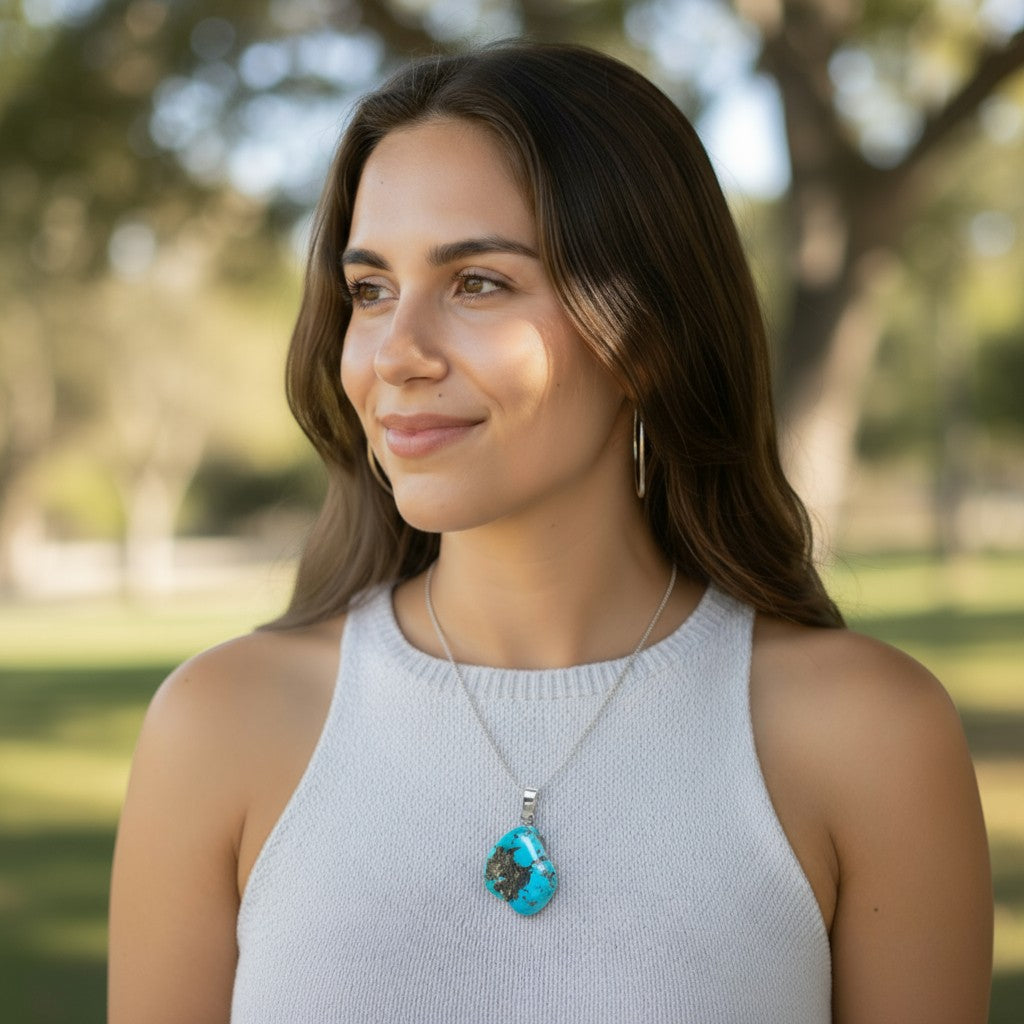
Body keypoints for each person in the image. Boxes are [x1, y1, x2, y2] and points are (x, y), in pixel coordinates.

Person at [108, 41, 992, 1023]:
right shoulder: (219, 727)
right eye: (369, 290)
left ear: (647, 331)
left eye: (478, 282)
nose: (395, 353)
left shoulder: (870, 737)